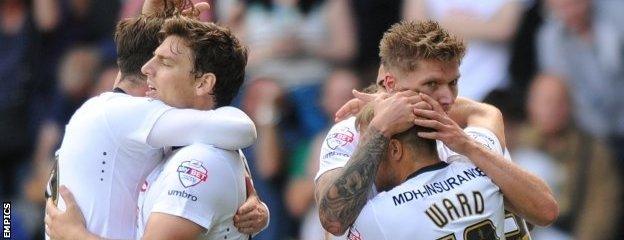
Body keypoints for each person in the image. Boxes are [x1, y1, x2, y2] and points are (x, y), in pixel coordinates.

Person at [43, 2, 268, 239]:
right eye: (154, 59)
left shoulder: (199, 158)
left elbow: (240, 131)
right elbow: (239, 130)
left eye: (165, 62)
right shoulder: (133, 119)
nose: (148, 69)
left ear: (203, 82)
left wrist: (75, 235)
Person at [315, 20, 558, 237]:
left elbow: (486, 112)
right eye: (431, 84)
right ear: (391, 83)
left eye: (453, 83)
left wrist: (395, 102)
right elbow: (333, 222)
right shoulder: (349, 135)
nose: (447, 98)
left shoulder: (463, 134)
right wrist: (380, 123)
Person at [347, 103, 507, 239]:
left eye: (369, 149)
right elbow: (486, 112)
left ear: (395, 149)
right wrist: (422, 102)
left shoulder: (377, 215)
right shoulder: (484, 166)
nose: (366, 159)